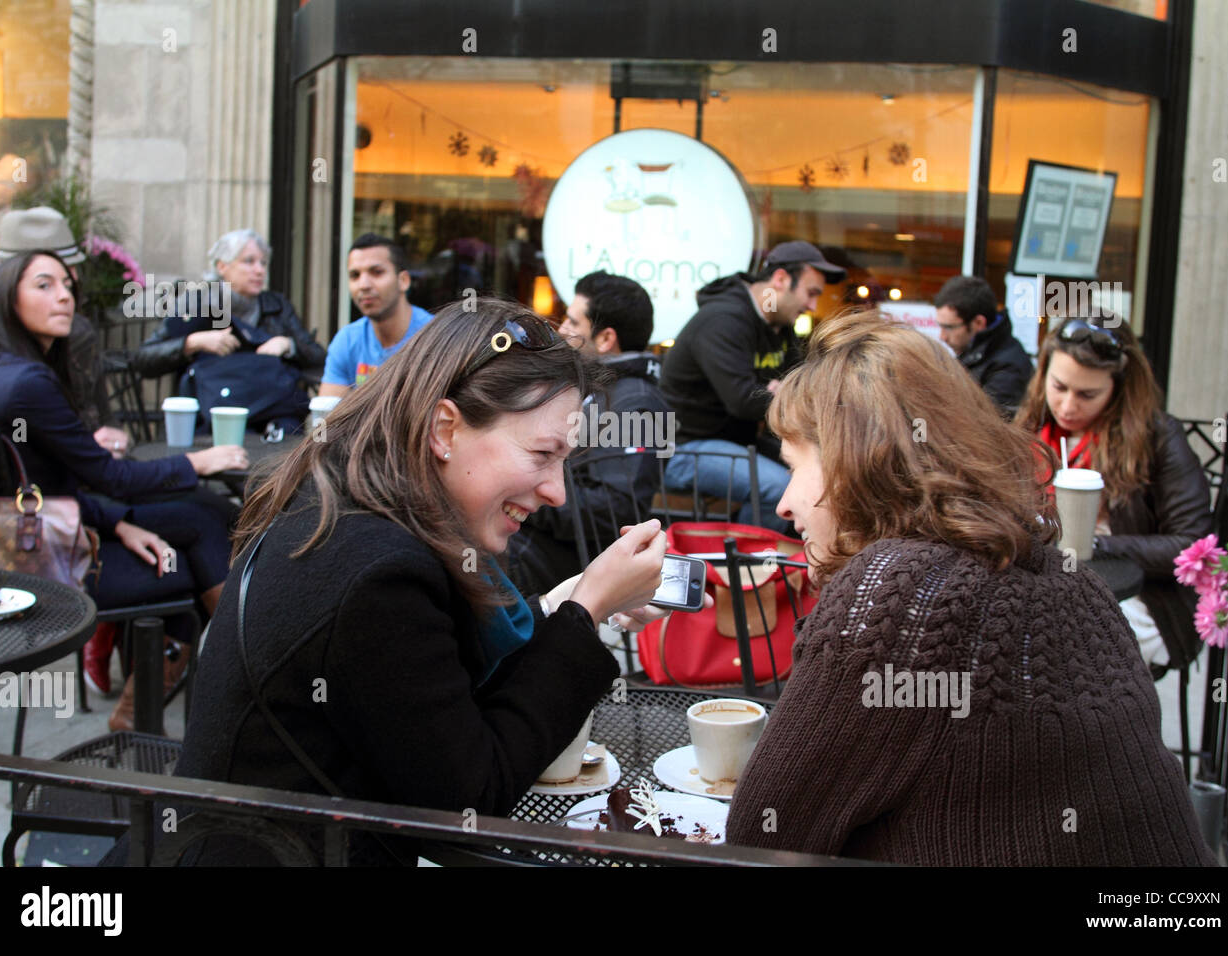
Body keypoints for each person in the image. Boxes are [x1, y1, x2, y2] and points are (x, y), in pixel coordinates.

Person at [138, 299, 673, 866]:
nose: (557, 491)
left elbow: (429, 692)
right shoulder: (379, 574)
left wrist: (569, 602)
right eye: (543, 453)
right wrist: (585, 612)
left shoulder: (348, 502)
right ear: (445, 429)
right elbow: (469, 797)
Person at [724, 311, 1213, 865]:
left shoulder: (899, 594)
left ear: (854, 461)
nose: (784, 504)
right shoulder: (1083, 592)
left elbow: (761, 841)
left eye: (794, 465)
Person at [0, 251, 247, 731]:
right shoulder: (26, 383)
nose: (64, 295)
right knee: (197, 534)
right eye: (43, 284)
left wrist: (118, 522)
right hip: (44, 573)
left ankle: (151, 711)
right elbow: (112, 477)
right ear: (7, 298)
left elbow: (32, 491)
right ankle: (248, 672)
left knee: (198, 521)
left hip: (16, 549)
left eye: (67, 285)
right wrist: (199, 461)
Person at [1014, 314, 1212, 672]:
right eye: (1058, 386)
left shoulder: (1159, 437)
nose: (1068, 406)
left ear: (1119, 388)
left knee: (1052, 647)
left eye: (1088, 394)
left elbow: (1190, 546)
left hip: (1143, 598)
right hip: (1049, 584)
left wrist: (1092, 544)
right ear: (1042, 374)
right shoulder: (1028, 430)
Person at [660, 240, 845, 531]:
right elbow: (743, 401)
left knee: (823, 473)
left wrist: (781, 391)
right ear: (781, 280)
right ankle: (748, 571)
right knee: (778, 488)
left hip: (737, 443)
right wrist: (775, 391)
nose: (812, 306)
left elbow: (798, 385)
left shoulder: (779, 326)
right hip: (682, 448)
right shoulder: (723, 320)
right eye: (811, 294)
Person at [506, 271, 671, 594]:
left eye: (573, 322)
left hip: (569, 564)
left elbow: (614, 512)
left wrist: (522, 494)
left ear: (606, 339)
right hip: (541, 543)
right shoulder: (603, 387)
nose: (562, 330)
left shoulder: (639, 402)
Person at [132, 229, 325, 434]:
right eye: (249, 261)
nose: (260, 270)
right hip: (208, 417)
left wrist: (287, 344)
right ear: (222, 266)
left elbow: (318, 355)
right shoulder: (196, 303)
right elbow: (143, 360)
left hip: (271, 413)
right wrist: (192, 342)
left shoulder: (276, 305)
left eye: (263, 263)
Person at [0, 206, 134, 456]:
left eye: (68, 276)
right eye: (44, 283)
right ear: (8, 284)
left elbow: (102, 419)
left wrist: (115, 443)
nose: (66, 292)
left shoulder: (77, 332)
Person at [319, 233, 433, 396]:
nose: (363, 285)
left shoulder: (434, 337)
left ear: (403, 281)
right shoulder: (347, 340)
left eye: (377, 272)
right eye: (355, 275)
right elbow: (329, 412)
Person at [933, 274, 1032, 416]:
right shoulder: (974, 353)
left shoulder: (1008, 368)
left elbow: (987, 424)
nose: (942, 336)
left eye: (949, 328)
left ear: (978, 323)